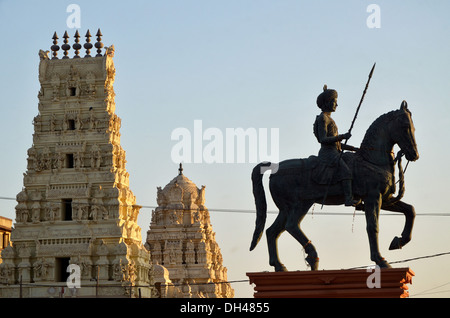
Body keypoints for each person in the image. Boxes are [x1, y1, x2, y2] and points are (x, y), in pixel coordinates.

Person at [313, 85, 359, 206]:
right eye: (334, 101)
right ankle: (348, 199)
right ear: (327, 102)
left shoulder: (330, 119)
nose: (336, 105)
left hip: (335, 152)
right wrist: (342, 136)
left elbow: (337, 144)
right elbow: (323, 139)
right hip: (328, 154)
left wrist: (354, 149)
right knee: (346, 172)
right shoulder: (323, 118)